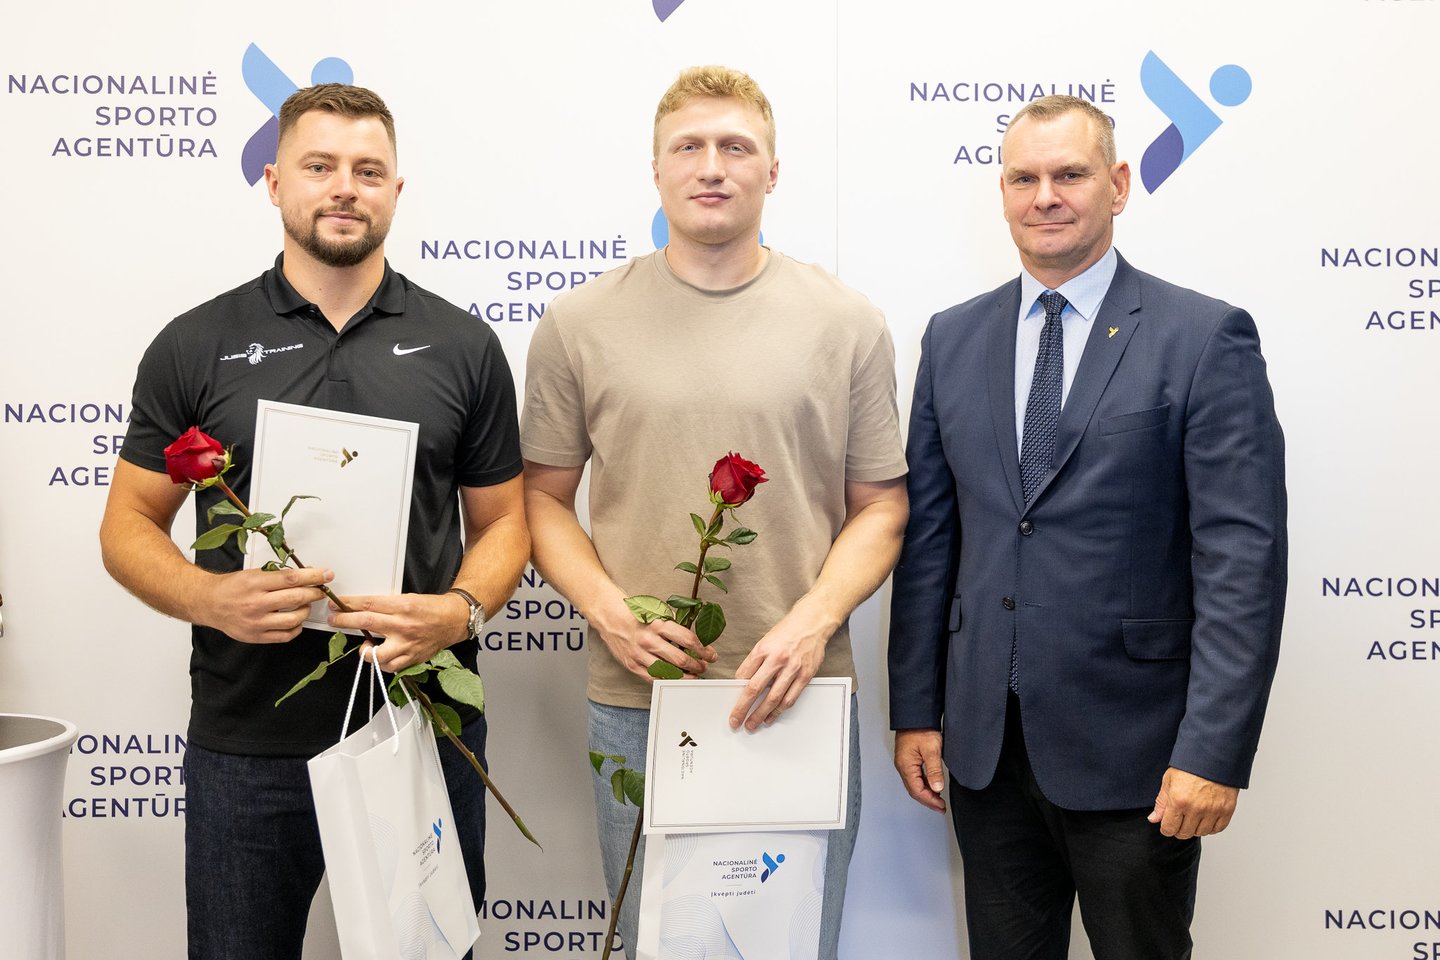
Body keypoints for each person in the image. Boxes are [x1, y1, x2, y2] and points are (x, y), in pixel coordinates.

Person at [99, 83, 528, 960]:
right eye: (319, 166)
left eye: (368, 170)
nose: (344, 188)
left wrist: (458, 613)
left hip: (420, 727)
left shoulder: (463, 346)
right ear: (274, 182)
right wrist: (208, 598)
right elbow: (128, 523)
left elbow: (506, 525)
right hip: (247, 744)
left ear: (396, 190)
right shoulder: (196, 343)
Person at [521, 65, 908, 959]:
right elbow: (539, 501)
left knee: (795, 947)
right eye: (688, 147)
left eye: (736, 147)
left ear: (772, 171)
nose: (711, 166)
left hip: (800, 695)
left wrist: (814, 621)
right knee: (654, 944)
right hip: (639, 702)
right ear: (655, 170)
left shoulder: (847, 323)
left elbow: (882, 507)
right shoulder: (578, 323)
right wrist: (609, 612)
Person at [888, 94, 1287, 960]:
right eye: (1023, 178)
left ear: (1118, 184)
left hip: (1139, 755)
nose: (1045, 196)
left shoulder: (1202, 336)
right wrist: (916, 710)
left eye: (1069, 174)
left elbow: (1241, 560)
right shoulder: (951, 339)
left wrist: (1213, 751)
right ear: (1001, 192)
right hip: (986, 751)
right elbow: (930, 545)